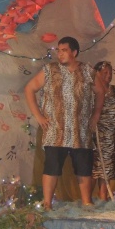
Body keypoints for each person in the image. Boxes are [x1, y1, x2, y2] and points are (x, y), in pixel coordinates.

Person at [24, 36, 105, 210]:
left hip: (80, 129)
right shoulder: (49, 70)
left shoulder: (87, 71)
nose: (59, 54)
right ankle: (47, 204)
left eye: (64, 50)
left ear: (74, 52)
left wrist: (96, 114)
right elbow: (29, 88)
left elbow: (100, 92)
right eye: (58, 50)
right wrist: (38, 116)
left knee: (83, 167)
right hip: (56, 129)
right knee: (52, 166)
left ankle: (87, 202)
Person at [91, 61, 115, 201]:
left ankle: (104, 193)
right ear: (97, 73)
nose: (108, 75)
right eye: (105, 73)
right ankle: (92, 196)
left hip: (111, 133)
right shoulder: (92, 90)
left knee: (109, 163)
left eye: (110, 73)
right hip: (97, 132)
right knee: (97, 164)